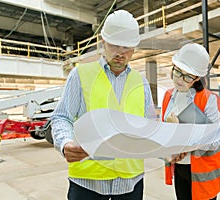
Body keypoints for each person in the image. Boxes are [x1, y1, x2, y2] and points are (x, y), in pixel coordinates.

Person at [51, 10, 155, 200]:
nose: (121, 54)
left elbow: (149, 126)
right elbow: (61, 117)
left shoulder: (141, 83)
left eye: (127, 48)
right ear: (103, 42)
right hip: (87, 183)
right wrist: (65, 143)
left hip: (130, 183)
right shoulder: (80, 75)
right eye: (115, 45)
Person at [161, 43, 220, 200]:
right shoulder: (168, 96)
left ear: (197, 78)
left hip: (202, 173)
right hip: (179, 169)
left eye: (188, 76)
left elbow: (214, 142)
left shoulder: (209, 100)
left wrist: (184, 137)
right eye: (177, 72)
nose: (180, 79)